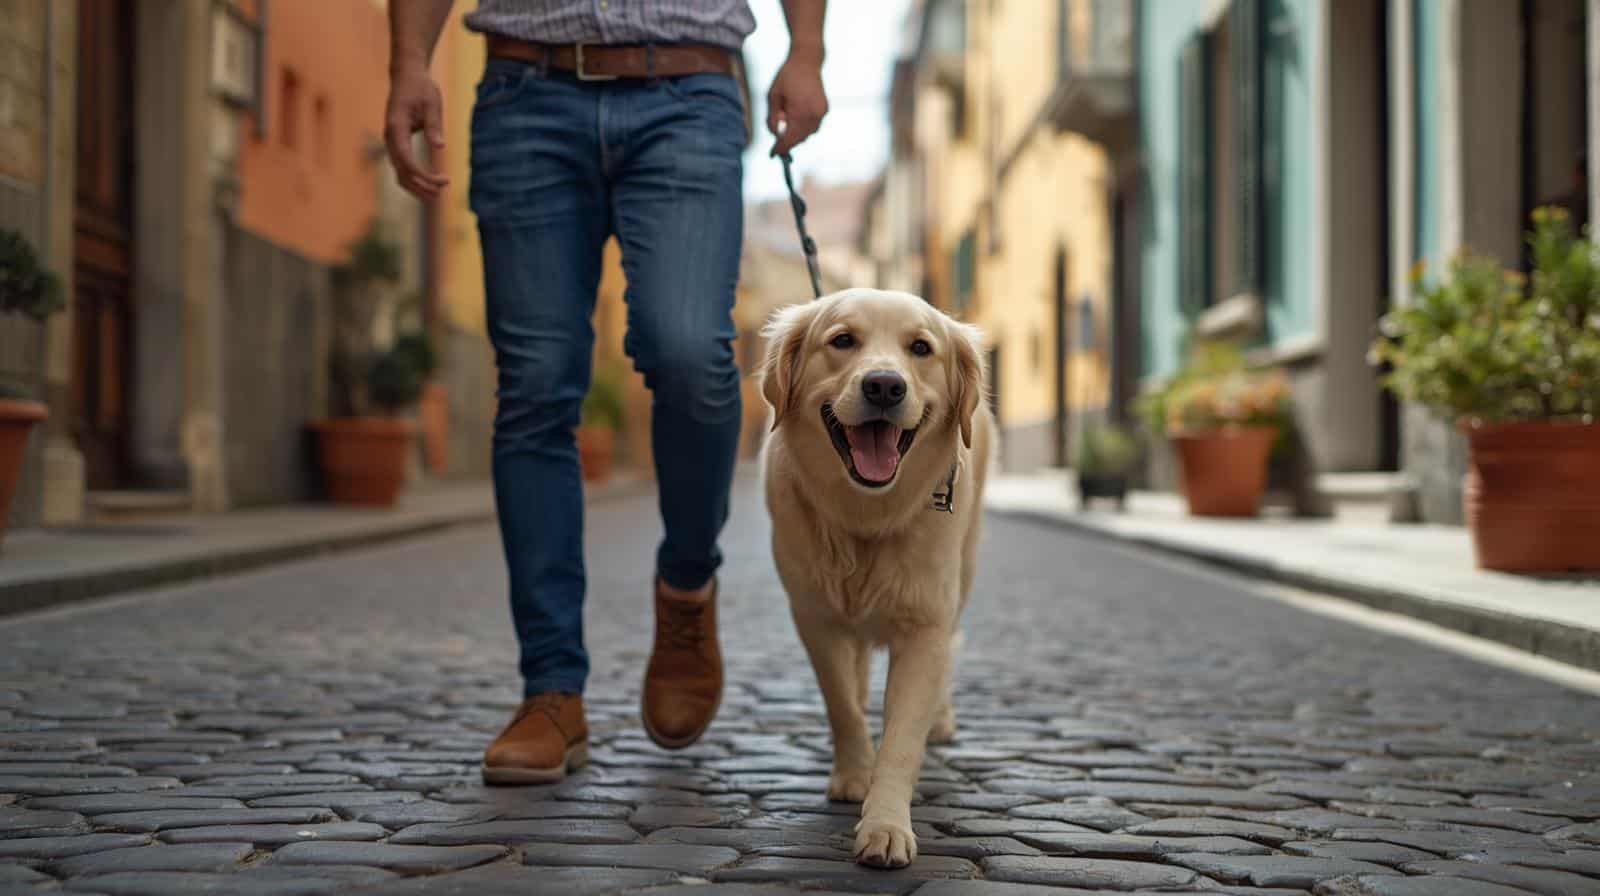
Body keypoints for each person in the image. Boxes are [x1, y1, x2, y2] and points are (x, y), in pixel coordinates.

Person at [384, 0, 828, 782]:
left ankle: (687, 588)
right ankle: (551, 689)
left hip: (689, 89)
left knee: (690, 352)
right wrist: (411, 62)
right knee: (534, 389)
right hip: (526, 90)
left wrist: (808, 51)